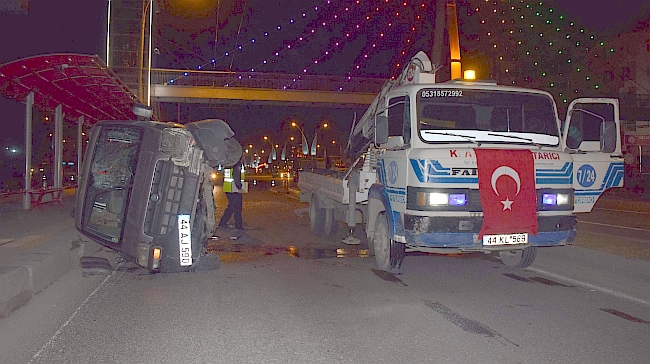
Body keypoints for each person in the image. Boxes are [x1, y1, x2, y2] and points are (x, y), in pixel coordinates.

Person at [219, 156, 245, 231]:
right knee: (237, 207)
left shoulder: (229, 164)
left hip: (229, 189)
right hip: (234, 189)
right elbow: (236, 176)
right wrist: (239, 188)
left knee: (231, 207)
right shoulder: (237, 164)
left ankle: (223, 223)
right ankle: (238, 226)